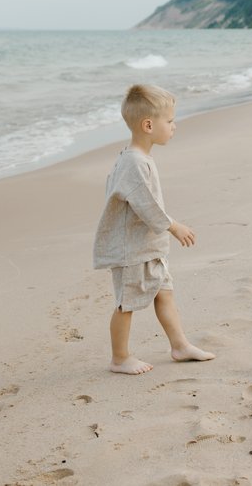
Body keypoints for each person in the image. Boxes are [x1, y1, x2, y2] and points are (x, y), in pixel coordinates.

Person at [93, 84, 215, 374]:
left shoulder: (138, 157)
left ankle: (180, 345)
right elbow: (146, 206)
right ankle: (119, 358)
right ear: (149, 125)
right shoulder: (134, 162)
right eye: (169, 121)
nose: (174, 126)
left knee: (164, 293)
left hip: (147, 247)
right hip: (132, 251)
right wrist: (174, 226)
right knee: (127, 303)